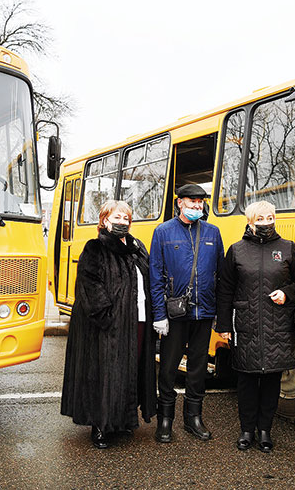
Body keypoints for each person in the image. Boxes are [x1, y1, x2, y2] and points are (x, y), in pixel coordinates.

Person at [215, 200, 295, 453]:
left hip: (277, 325)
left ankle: (265, 431)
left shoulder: (288, 248)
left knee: (271, 381)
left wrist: (288, 293)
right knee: (247, 381)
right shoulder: (236, 251)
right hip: (245, 325)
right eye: (261, 219)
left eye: (270, 217)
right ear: (250, 222)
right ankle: (247, 431)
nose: (267, 223)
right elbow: (225, 289)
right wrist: (224, 325)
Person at [61, 200, 157, 449]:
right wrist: (108, 317)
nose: (122, 222)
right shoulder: (95, 248)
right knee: (105, 374)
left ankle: (122, 420)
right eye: (117, 217)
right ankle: (101, 425)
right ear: (104, 220)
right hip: (107, 326)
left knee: (129, 371)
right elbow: (89, 285)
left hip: (137, 320)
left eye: (126, 218)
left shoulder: (138, 248)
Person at [150, 184, 224, 443]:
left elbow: (220, 275)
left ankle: (193, 417)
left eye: (200, 202)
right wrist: (159, 314)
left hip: (203, 314)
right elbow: (156, 276)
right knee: (169, 368)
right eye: (191, 201)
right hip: (174, 314)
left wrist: (218, 313)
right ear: (179, 203)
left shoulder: (213, 233)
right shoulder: (163, 232)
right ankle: (165, 420)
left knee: (198, 368)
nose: (196, 206)